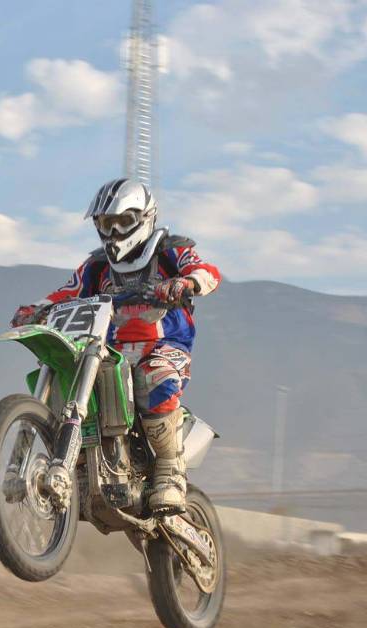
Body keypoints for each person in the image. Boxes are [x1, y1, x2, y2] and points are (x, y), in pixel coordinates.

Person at [11, 178, 221, 515]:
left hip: (164, 345)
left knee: (153, 376)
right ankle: (82, 465)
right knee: (73, 380)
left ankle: (170, 472)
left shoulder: (170, 250)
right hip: (112, 350)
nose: (114, 231)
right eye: (106, 223)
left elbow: (206, 272)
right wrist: (36, 309)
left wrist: (187, 282)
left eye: (123, 221)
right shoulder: (97, 266)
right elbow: (67, 292)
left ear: (144, 218)